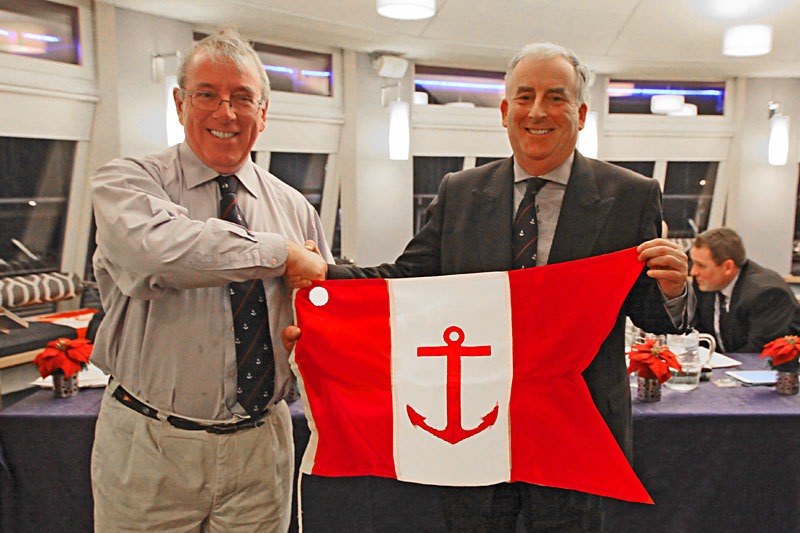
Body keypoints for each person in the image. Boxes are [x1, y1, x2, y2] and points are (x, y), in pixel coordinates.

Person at [286, 42, 690, 532]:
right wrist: (327, 275)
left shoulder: (631, 195)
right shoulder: (459, 191)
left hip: (573, 429)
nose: (537, 111)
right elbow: (408, 279)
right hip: (476, 432)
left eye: (556, 97)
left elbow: (648, 311)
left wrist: (674, 289)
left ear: (581, 114)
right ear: (504, 111)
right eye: (525, 97)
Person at [89, 29, 330, 532]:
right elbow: (157, 255)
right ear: (180, 104)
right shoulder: (128, 182)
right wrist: (280, 253)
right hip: (150, 449)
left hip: (263, 447)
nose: (226, 113)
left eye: (243, 98)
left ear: (263, 113)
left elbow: (324, 309)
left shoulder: (296, 209)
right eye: (207, 95)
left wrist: (307, 335)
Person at [690, 227, 800, 353]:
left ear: (728, 267)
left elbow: (758, 353)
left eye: (701, 265)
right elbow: (698, 334)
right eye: (693, 263)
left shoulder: (768, 294)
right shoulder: (705, 284)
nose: (693, 272)